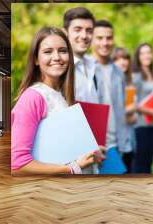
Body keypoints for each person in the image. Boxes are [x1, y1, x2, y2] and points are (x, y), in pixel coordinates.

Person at [11, 27, 105, 176]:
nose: (57, 57)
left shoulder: (64, 96)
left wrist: (92, 151)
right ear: (36, 59)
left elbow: (64, 147)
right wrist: (72, 168)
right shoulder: (33, 97)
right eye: (48, 51)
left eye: (62, 51)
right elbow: (18, 164)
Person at [91, 20, 131, 172]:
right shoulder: (84, 69)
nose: (105, 43)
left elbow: (121, 106)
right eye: (100, 38)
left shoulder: (118, 71)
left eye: (109, 38)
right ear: (92, 39)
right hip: (95, 146)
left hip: (117, 143)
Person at [132, 43, 153, 174]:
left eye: (149, 52)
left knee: (149, 163)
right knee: (140, 164)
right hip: (140, 126)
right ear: (138, 56)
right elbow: (130, 103)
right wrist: (150, 111)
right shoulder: (136, 76)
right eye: (143, 53)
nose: (146, 55)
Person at [63, 7, 99, 103]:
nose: (84, 36)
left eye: (89, 31)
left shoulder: (93, 65)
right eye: (77, 30)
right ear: (65, 32)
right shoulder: (60, 67)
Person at [112, 47, 137, 173]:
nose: (123, 61)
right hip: (112, 140)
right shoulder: (108, 82)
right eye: (118, 58)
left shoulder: (130, 84)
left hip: (129, 139)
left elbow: (131, 117)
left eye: (126, 58)